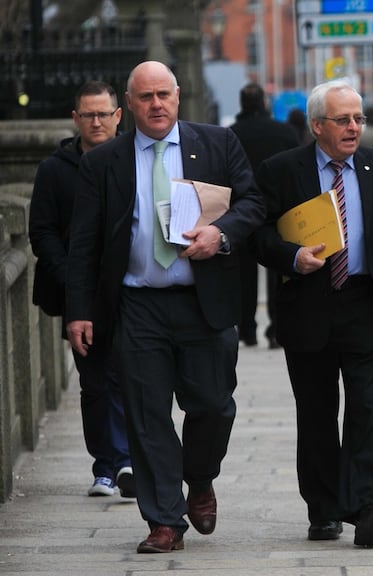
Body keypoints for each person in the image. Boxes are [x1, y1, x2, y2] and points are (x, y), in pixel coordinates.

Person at [65, 61, 265, 553]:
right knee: (146, 414)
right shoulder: (103, 163)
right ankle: (164, 520)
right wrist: (79, 311)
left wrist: (220, 234)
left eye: (164, 95)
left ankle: (199, 477)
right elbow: (84, 244)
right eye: (146, 97)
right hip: (137, 306)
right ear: (128, 105)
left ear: (178, 98)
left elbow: (253, 203)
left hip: (204, 302)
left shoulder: (217, 144)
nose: (156, 105)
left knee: (214, 407)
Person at [251, 80, 373, 548]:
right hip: (309, 302)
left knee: (366, 406)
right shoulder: (282, 170)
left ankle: (368, 504)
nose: (353, 127)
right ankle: (323, 511)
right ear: (317, 125)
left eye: (359, 119)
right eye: (343, 119)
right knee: (318, 413)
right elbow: (257, 236)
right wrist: (291, 257)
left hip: (365, 303)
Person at [28, 80, 134, 499]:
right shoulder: (54, 170)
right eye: (88, 115)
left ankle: (127, 458)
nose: (96, 122)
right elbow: (42, 232)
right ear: (75, 119)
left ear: (117, 116)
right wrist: (73, 275)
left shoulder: (133, 160)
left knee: (127, 377)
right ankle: (106, 465)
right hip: (79, 294)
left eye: (103, 114)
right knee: (94, 382)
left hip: (130, 291)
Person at [229, 82, 300, 349]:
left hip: (241, 209)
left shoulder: (232, 135)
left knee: (243, 275)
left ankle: (246, 328)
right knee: (278, 271)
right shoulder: (284, 133)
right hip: (279, 210)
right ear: (264, 103)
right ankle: (276, 329)